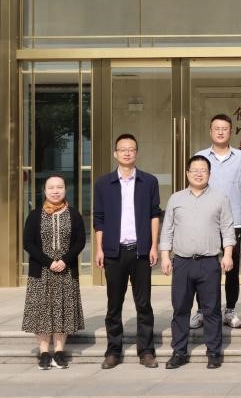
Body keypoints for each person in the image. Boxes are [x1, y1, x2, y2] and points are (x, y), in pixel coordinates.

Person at [159, 155, 236, 370]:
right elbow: (167, 229)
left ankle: (214, 352)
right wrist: (165, 256)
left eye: (203, 170)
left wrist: (228, 254)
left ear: (209, 174)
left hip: (209, 262)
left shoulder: (220, 198)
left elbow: (227, 228)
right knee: (180, 309)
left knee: (211, 309)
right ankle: (179, 352)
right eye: (195, 170)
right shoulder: (176, 199)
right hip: (182, 263)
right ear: (187, 173)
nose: (199, 174)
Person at [93, 133, 161, 369]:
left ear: (136, 153)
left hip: (140, 251)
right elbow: (99, 218)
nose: (127, 153)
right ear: (115, 153)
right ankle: (113, 351)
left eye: (131, 149)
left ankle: (147, 351)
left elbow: (154, 214)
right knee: (114, 304)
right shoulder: (103, 183)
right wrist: (99, 248)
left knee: (144, 304)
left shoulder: (148, 181)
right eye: (122, 149)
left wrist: (153, 245)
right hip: (114, 252)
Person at [191, 114, 241, 331]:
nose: (220, 132)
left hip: (233, 221)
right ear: (210, 131)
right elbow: (194, 184)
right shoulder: (200, 156)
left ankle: (230, 310)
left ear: (231, 131)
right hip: (204, 221)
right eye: (216, 128)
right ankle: (202, 310)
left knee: (232, 268)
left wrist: (231, 205)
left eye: (224, 128)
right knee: (203, 268)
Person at [22, 175, 85, 370]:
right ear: (45, 190)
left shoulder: (74, 215)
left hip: (66, 271)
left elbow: (80, 242)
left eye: (60, 187)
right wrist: (49, 262)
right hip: (41, 271)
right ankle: (43, 353)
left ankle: (59, 351)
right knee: (42, 312)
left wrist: (65, 260)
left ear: (65, 189)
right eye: (51, 187)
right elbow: (28, 243)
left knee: (62, 311)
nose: (55, 191)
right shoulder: (35, 215)